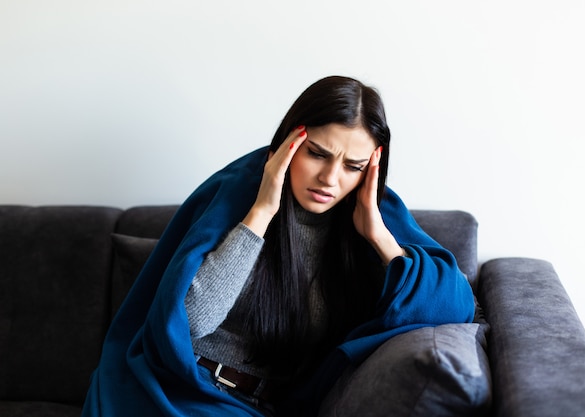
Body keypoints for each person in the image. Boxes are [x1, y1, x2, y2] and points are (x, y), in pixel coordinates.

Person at [81, 75, 475, 417]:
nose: (329, 178)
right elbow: (189, 321)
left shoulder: (377, 211)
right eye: (317, 154)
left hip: (258, 408)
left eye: (352, 166)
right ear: (290, 141)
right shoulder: (238, 189)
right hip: (179, 389)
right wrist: (261, 214)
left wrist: (379, 236)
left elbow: (456, 305)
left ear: (371, 168)